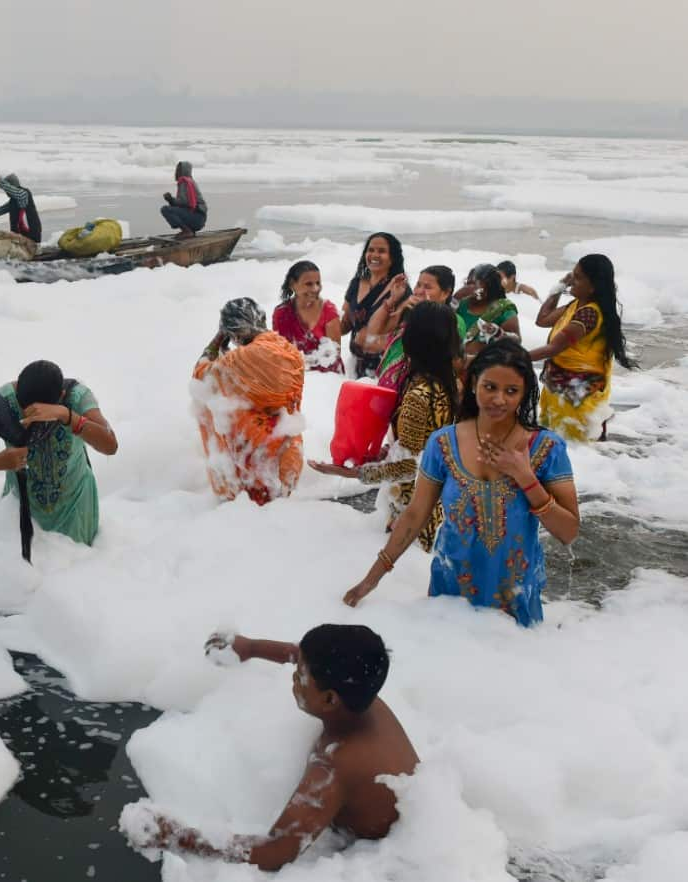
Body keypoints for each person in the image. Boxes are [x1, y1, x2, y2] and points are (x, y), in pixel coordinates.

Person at [128, 625, 419, 872]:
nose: (294, 677)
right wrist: (251, 647)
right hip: (405, 804)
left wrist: (178, 837)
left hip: (383, 851)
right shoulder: (360, 694)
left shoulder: (335, 767)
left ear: (330, 700)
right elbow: (298, 654)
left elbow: (276, 854)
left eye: (300, 677)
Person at [342, 340, 580, 627]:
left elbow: (568, 532)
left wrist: (526, 478)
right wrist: (371, 579)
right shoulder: (443, 443)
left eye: (511, 391)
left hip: (514, 606)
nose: (499, 399)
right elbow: (416, 515)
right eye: (490, 387)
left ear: (525, 392)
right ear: (473, 383)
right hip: (449, 599)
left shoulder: (547, 448)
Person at [310, 302, 462, 552]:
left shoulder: (418, 395)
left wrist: (353, 473)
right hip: (439, 498)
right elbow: (426, 448)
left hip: (413, 508)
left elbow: (410, 467)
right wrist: (390, 452)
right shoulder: (449, 382)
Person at [0, 361, 117, 552]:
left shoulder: (76, 398)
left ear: (62, 397)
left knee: (80, 572)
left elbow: (110, 445)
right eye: (27, 411)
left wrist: (67, 415)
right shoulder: (2, 404)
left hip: (76, 509)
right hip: (19, 512)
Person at [193, 298, 305, 505]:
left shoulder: (240, 359)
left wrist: (218, 339)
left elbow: (201, 376)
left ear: (233, 332)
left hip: (255, 457)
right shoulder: (289, 351)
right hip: (288, 445)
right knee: (285, 512)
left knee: (253, 517)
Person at [529, 254, 636, 442]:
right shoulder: (576, 305)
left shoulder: (589, 314)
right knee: (553, 448)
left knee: (574, 450)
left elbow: (554, 348)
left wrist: (513, 356)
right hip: (562, 393)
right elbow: (542, 320)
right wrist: (560, 286)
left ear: (593, 286)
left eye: (578, 278)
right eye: (572, 275)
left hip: (577, 398)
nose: (572, 282)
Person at [357, 265, 465, 391]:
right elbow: (374, 331)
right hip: (388, 386)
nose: (419, 291)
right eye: (418, 285)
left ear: (445, 293)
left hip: (418, 392)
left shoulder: (454, 320)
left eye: (427, 287)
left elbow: (444, 357)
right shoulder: (409, 312)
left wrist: (425, 316)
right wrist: (393, 299)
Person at [339, 233, 409, 378]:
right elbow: (345, 324)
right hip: (356, 367)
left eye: (381, 251)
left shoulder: (400, 289)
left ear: (393, 257)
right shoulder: (356, 283)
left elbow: (400, 334)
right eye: (370, 250)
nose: (374, 255)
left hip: (385, 369)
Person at [271, 260, 344, 373]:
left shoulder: (329, 310)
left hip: (328, 377)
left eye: (318, 283)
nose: (315, 289)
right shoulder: (282, 313)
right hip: (294, 375)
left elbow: (333, 356)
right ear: (292, 284)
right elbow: (281, 354)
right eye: (309, 284)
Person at [456, 263, 521, 359]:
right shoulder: (460, 304)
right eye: (468, 284)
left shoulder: (503, 309)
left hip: (487, 366)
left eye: (475, 285)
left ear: (490, 287)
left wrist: (499, 333)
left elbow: (516, 342)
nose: (469, 289)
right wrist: (455, 298)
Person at [160, 161, 208, 239]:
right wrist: (171, 201)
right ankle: (189, 231)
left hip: (197, 217)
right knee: (173, 210)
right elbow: (186, 204)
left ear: (183, 171)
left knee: (165, 209)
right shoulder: (190, 182)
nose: (176, 172)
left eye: (179, 170)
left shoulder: (184, 182)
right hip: (199, 218)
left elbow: (185, 202)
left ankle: (187, 231)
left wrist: (171, 199)